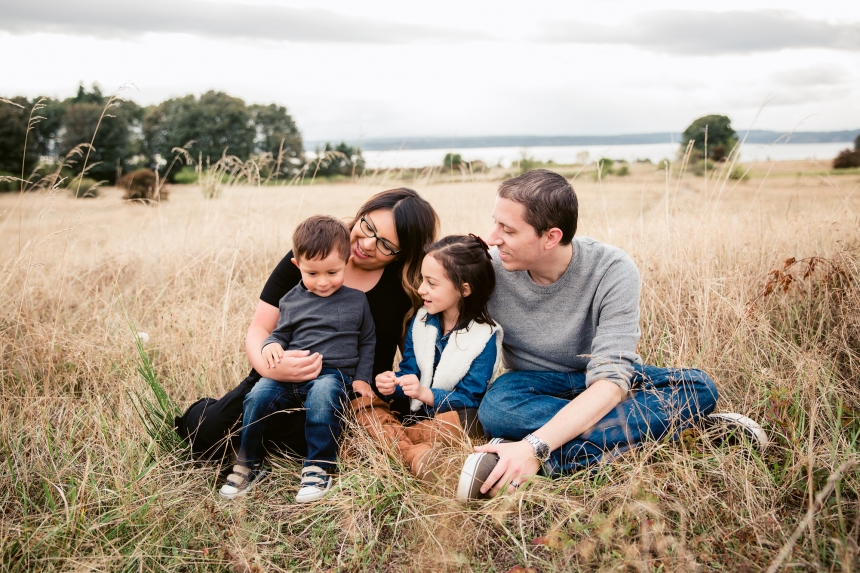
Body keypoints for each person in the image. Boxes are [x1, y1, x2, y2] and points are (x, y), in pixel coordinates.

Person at [457, 169, 766, 500]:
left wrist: (534, 445)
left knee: (697, 387)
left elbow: (611, 383)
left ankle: (537, 456)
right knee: (498, 409)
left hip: (605, 386)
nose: (492, 238)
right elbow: (433, 295)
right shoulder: (488, 269)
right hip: (532, 387)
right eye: (496, 224)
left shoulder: (612, 269)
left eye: (508, 230)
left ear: (550, 237)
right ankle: (676, 435)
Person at [174, 188, 439, 474]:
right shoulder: (314, 253)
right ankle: (217, 415)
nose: (368, 243)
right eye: (368, 227)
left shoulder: (405, 288)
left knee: (323, 436)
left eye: (386, 244)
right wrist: (270, 368)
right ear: (361, 214)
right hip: (281, 380)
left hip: (347, 395)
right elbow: (260, 328)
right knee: (205, 436)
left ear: (402, 254)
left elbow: (417, 356)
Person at [219, 216, 376, 502]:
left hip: (333, 374)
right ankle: (249, 463)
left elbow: (366, 341)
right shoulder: (291, 299)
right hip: (291, 373)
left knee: (323, 394)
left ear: (347, 262)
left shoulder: (357, 300)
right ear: (297, 266)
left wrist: (363, 378)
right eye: (312, 273)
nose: (323, 282)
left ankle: (319, 467)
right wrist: (269, 347)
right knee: (258, 395)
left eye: (332, 272)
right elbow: (279, 334)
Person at [352, 235, 502, 483]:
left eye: (431, 283)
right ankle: (416, 454)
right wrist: (392, 384)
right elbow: (409, 369)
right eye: (422, 279)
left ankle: (389, 442)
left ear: (464, 289)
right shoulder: (421, 320)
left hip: (451, 418)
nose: (421, 289)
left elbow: (469, 397)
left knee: (471, 421)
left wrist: (425, 394)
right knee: (361, 403)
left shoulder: (483, 337)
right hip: (413, 415)